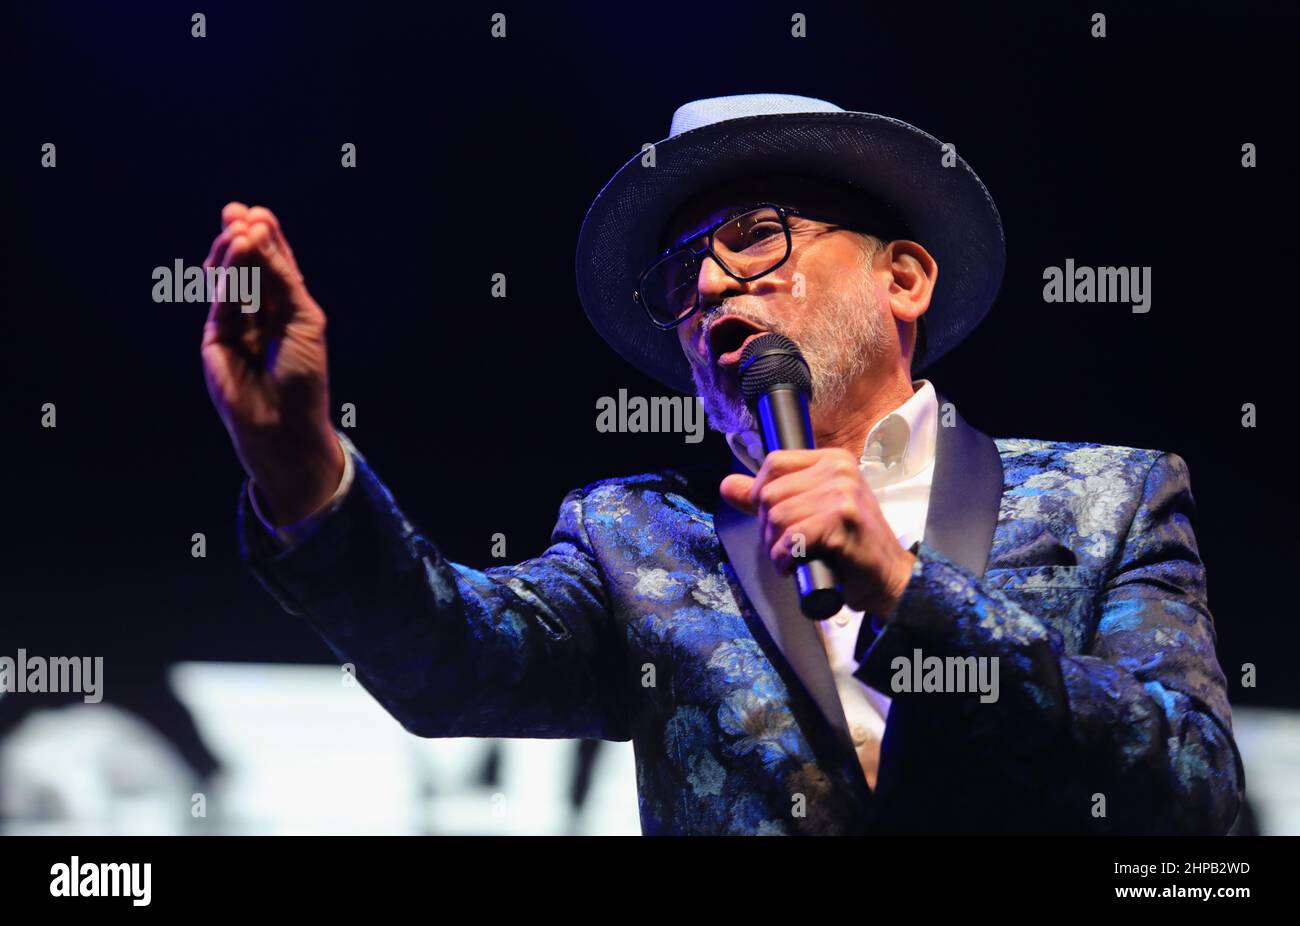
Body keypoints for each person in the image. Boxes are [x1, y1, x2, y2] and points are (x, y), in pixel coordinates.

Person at [201, 93, 1244, 834]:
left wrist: (911, 594)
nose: (704, 281)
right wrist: (299, 459)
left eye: (754, 236)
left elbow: (1191, 794)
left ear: (907, 278)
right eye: (681, 270)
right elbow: (449, 660)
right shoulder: (640, 547)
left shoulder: (1111, 495)